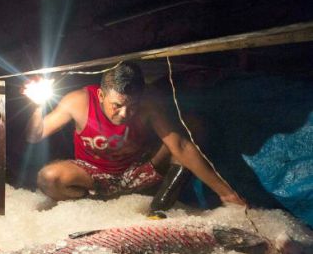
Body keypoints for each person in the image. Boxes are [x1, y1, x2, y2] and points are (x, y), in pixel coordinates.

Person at [23, 61, 246, 206]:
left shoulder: (149, 104)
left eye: (132, 106)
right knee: (49, 177)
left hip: (139, 170)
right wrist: (36, 106)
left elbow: (180, 146)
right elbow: (34, 136)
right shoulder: (78, 101)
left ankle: (162, 202)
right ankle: (94, 204)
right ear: (101, 96)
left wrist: (225, 193)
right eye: (117, 105)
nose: (124, 113)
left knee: (194, 127)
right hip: (95, 175)